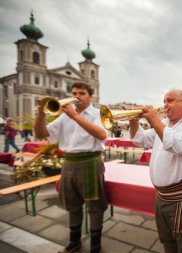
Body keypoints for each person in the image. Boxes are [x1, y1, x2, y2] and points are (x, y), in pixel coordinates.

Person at [34, 81, 108, 253]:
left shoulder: (98, 114)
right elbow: (41, 134)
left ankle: (95, 246)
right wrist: (41, 113)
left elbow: (102, 135)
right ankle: (74, 242)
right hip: (68, 163)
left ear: (90, 96)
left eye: (81, 93)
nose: (76, 96)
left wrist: (75, 116)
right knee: (72, 204)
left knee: (95, 206)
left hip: (90, 162)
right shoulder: (64, 115)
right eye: (74, 93)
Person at [129, 89, 182, 253]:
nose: (165, 105)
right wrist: (134, 122)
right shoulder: (163, 124)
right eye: (164, 101)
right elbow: (140, 139)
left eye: (170, 100)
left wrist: (156, 121)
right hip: (161, 196)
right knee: (167, 241)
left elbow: (179, 145)